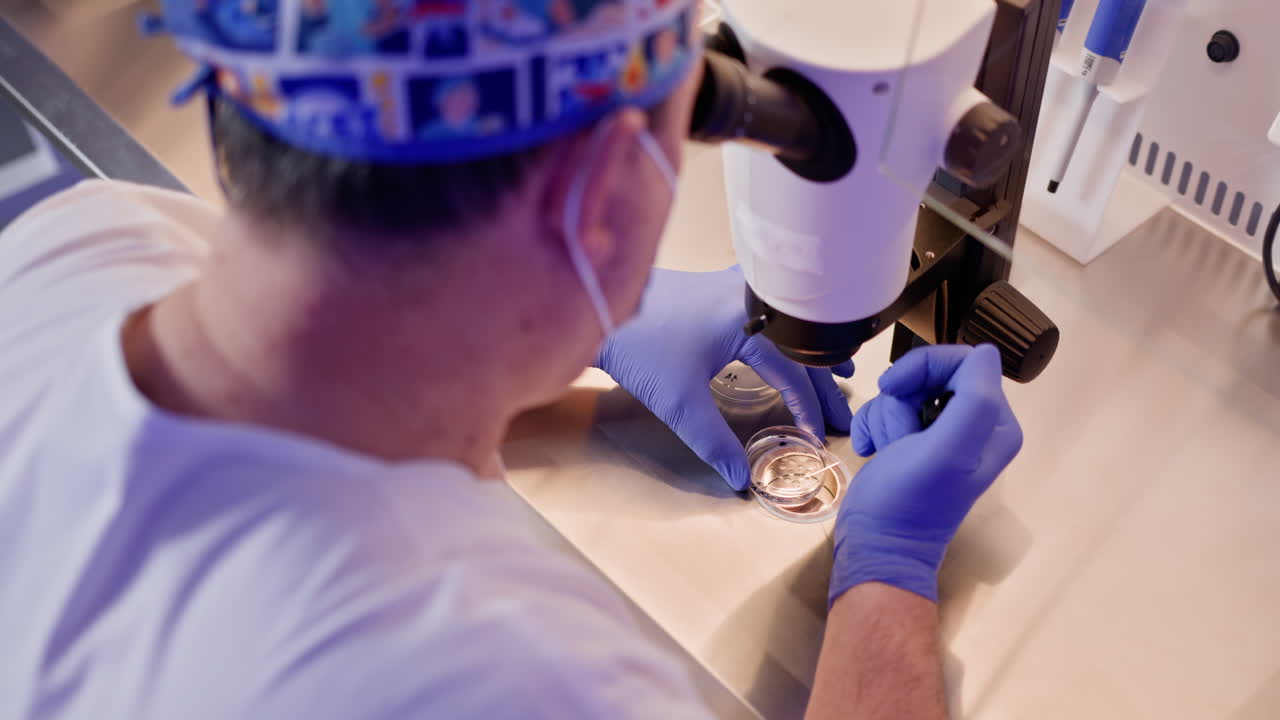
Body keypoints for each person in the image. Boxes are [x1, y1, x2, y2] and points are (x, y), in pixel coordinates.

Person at [0, 2, 1022, 719]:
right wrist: (887, 575)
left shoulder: (90, 240)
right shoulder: (509, 677)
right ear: (600, 211)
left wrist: (578, 335)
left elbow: (290, 414)